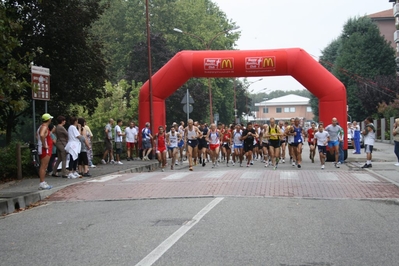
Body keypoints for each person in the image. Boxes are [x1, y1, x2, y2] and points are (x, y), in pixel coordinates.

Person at [37, 113, 54, 190]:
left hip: (44, 148)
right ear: (48, 119)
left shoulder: (41, 126)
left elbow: (37, 135)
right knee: (44, 165)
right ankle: (42, 183)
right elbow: (41, 135)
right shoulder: (44, 127)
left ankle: (43, 182)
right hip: (45, 149)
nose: (51, 120)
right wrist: (44, 144)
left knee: (44, 165)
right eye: (50, 118)